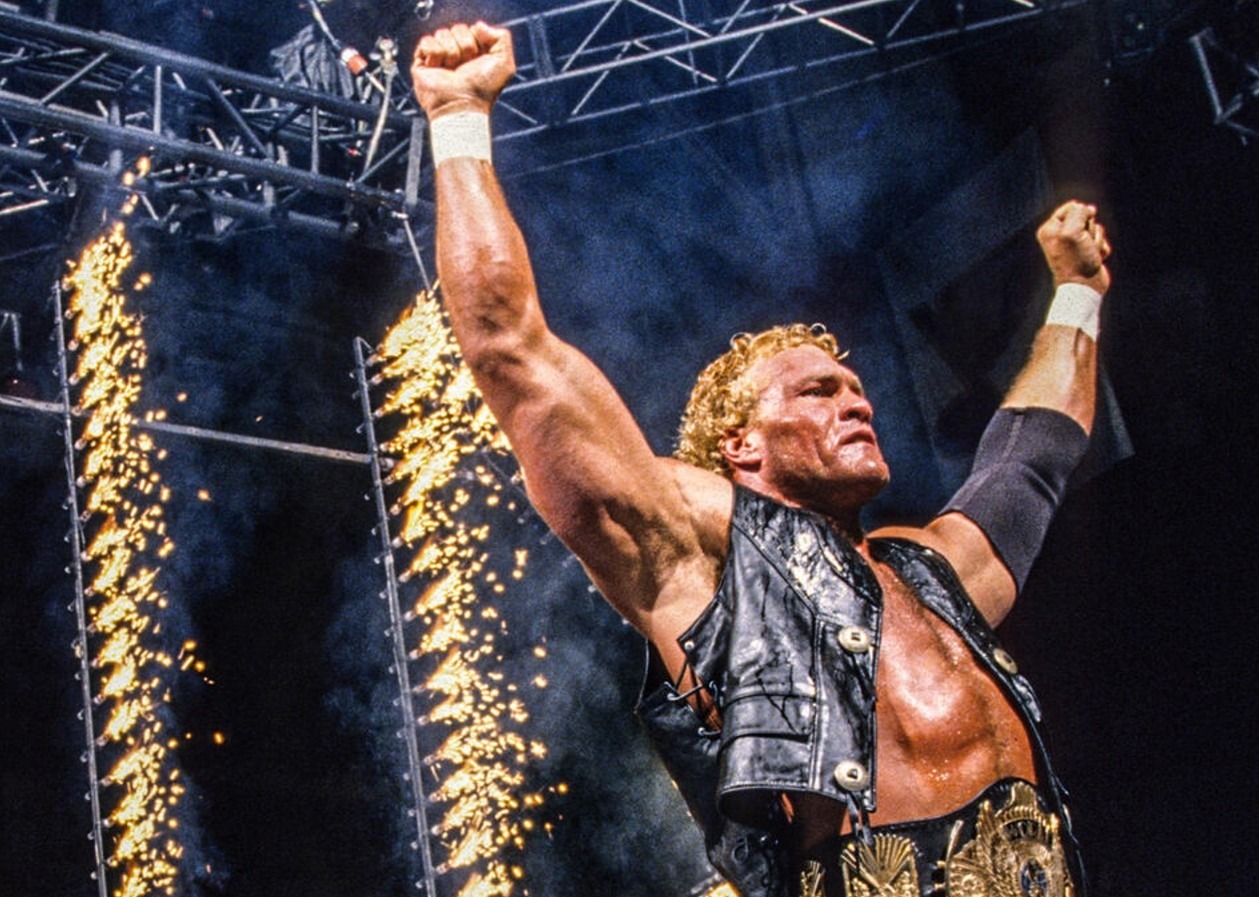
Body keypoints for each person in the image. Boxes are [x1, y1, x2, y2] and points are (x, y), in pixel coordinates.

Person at [412, 21, 1113, 897]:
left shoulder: (933, 571)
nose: (857, 401)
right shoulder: (702, 561)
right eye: (817, 391)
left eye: (855, 388)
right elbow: (512, 352)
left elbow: (1031, 457)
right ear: (739, 444)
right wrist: (459, 115)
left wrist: (1078, 290)